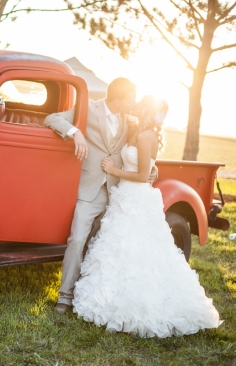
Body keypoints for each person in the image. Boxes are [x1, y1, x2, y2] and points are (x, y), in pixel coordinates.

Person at [73, 95, 222, 337]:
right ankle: (111, 296)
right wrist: (153, 167)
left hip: (136, 197)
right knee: (117, 250)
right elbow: (149, 165)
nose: (137, 107)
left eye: (142, 106)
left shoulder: (145, 136)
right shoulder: (133, 131)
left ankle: (139, 305)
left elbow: (143, 176)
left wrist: (114, 170)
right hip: (124, 197)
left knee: (137, 251)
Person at [44, 77, 147, 314]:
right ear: (117, 99)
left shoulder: (130, 120)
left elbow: (143, 148)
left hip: (117, 192)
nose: (134, 102)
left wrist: (153, 169)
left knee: (106, 247)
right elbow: (52, 118)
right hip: (89, 190)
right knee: (78, 240)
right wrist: (76, 133)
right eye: (131, 98)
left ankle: (96, 298)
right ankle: (65, 296)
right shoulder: (89, 108)